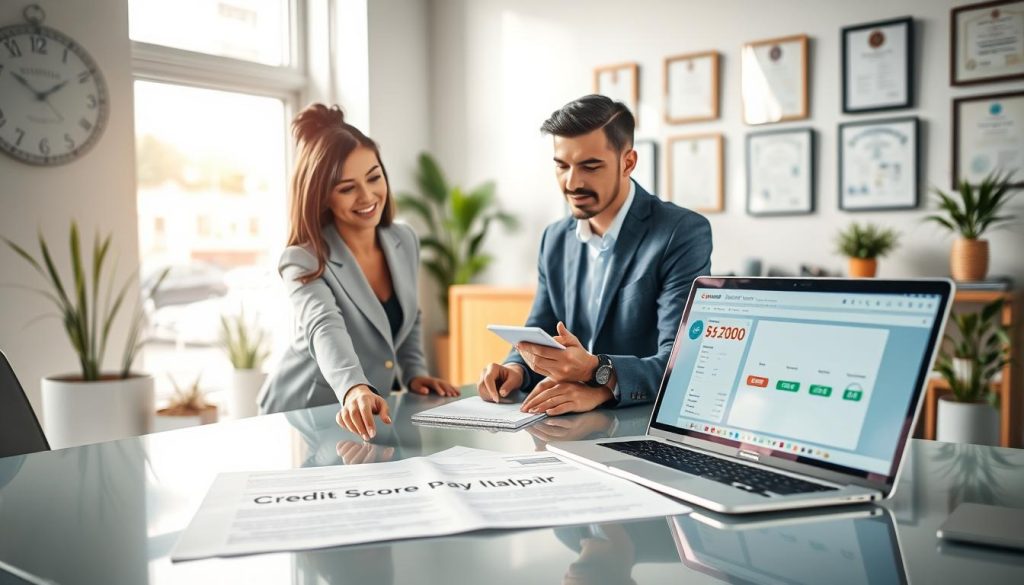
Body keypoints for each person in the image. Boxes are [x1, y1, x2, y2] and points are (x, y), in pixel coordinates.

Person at [477, 94, 712, 415]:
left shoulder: (680, 232)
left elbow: (681, 361)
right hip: (564, 424)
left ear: (628, 162)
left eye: (590, 166)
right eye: (562, 166)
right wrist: (516, 370)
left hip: (640, 423)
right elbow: (540, 328)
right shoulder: (555, 238)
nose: (572, 182)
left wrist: (599, 381)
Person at [260, 103, 458, 440]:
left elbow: (410, 317)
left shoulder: (403, 239)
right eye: (347, 187)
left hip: (365, 413)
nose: (367, 196)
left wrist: (414, 374)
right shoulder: (302, 260)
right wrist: (353, 387)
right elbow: (324, 327)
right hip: (303, 415)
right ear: (323, 198)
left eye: (374, 177)